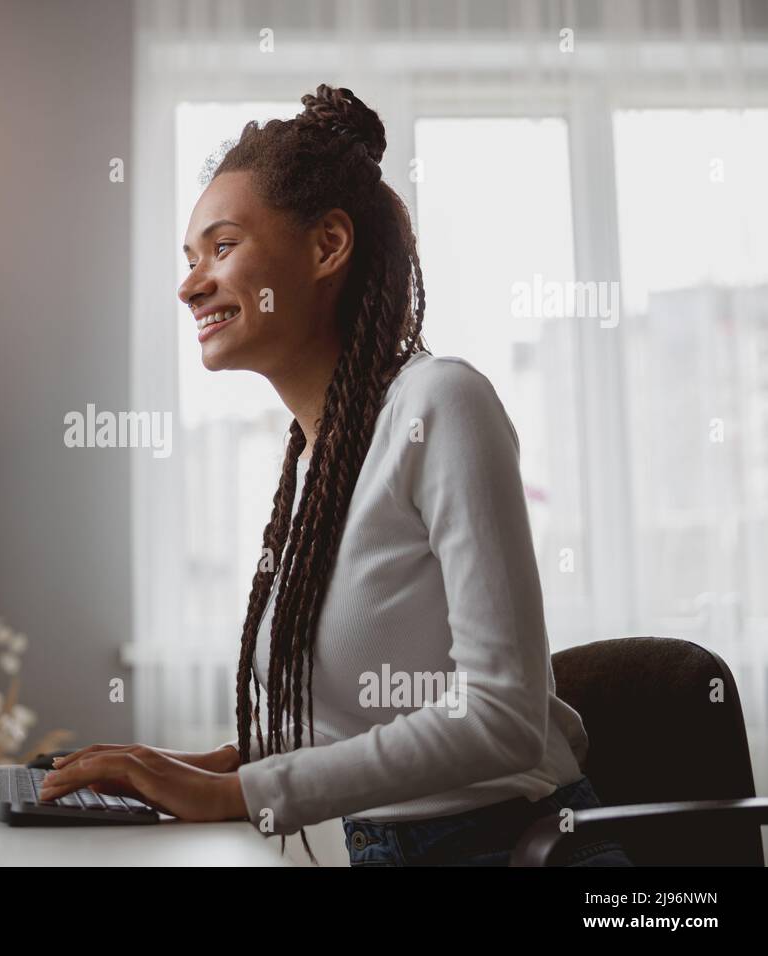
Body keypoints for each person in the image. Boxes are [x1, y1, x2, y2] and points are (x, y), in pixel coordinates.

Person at [40, 84, 632, 867]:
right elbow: (356, 721)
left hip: (509, 847)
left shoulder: (440, 403)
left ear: (326, 247)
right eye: (189, 261)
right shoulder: (314, 461)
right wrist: (198, 767)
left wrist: (234, 795)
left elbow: (504, 716)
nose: (189, 285)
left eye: (221, 248)